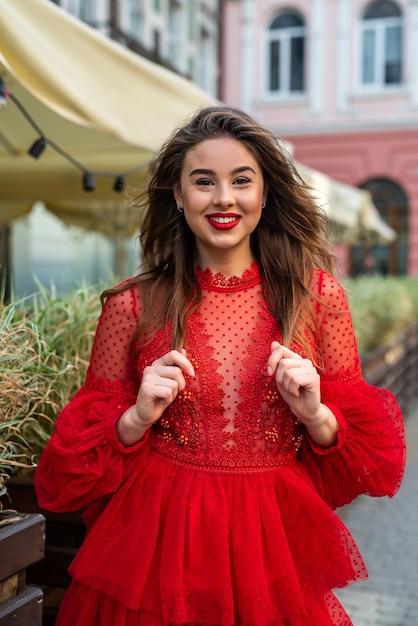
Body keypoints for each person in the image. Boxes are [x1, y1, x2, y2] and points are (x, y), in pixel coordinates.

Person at [35, 106, 406, 626]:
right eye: (203, 181)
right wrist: (136, 418)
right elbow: (66, 470)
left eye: (241, 180)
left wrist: (317, 415)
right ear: (179, 195)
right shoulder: (131, 305)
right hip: (157, 545)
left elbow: (375, 457)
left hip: (271, 544)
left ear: (265, 193)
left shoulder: (318, 299)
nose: (224, 198)